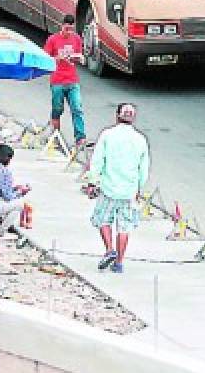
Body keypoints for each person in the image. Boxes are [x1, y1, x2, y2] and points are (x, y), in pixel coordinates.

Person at [88, 103, 150, 274]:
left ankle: (109, 250)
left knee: (102, 220)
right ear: (133, 118)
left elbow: (97, 161)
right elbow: (143, 169)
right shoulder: (141, 139)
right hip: (129, 191)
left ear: (117, 116)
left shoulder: (107, 135)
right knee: (125, 227)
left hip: (109, 188)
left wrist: (93, 182)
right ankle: (119, 263)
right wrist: (138, 188)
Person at [44, 14, 86, 147]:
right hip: (57, 80)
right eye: (66, 29)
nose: (69, 32)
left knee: (77, 108)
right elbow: (46, 58)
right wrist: (58, 57)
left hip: (72, 80)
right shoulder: (53, 39)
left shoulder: (76, 39)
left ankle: (80, 137)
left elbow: (79, 55)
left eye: (71, 29)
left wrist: (78, 58)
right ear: (61, 26)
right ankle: (56, 135)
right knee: (57, 109)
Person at [0, 143, 29, 237]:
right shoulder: (3, 171)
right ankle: (0, 231)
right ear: (8, 159)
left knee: (2, 201)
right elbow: (8, 197)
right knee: (20, 204)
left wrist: (14, 188)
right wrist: (21, 192)